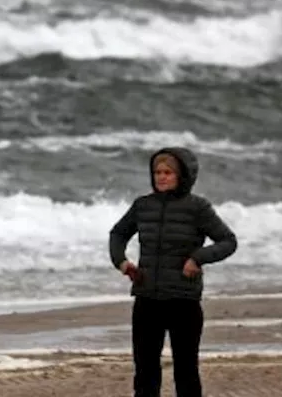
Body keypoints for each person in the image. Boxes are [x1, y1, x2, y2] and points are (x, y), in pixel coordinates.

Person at [108, 147, 238, 397]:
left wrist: (198, 259)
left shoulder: (197, 207)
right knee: (145, 372)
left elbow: (228, 241)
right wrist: (122, 262)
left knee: (186, 372)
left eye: (168, 172)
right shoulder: (143, 205)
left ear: (182, 175)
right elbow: (118, 233)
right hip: (147, 298)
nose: (161, 177)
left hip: (183, 300)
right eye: (157, 172)